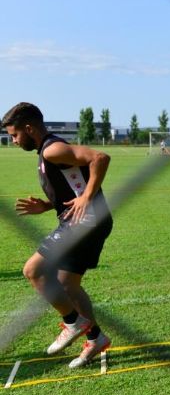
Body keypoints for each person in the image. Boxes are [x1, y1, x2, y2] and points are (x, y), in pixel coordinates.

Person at [2, 102, 113, 368]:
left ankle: (72, 323)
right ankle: (96, 339)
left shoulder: (52, 149)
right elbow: (75, 187)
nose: (14, 140)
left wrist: (87, 197)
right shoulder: (47, 151)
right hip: (88, 220)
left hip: (85, 222)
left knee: (33, 270)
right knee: (67, 285)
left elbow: (100, 158)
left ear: (29, 128)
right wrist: (47, 205)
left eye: (15, 135)